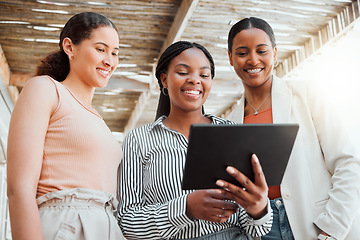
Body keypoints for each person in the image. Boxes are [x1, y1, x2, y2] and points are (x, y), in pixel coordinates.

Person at [118, 40, 273, 240]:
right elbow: (127, 223)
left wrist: (259, 209)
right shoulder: (138, 140)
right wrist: (185, 208)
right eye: (183, 72)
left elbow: (256, 229)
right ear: (164, 80)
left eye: (204, 74)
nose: (194, 80)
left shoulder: (232, 134)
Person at [225, 17, 360, 240]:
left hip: (319, 222)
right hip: (263, 230)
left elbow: (348, 163)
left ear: (275, 53)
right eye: (242, 53)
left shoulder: (307, 95)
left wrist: (332, 230)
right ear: (230, 58)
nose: (253, 59)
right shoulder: (230, 122)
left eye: (262, 51)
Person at [7, 12, 125, 240]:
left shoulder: (98, 119)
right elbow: (19, 188)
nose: (109, 61)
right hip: (66, 223)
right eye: (100, 49)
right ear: (70, 47)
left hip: (107, 226)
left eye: (114, 53)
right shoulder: (45, 89)